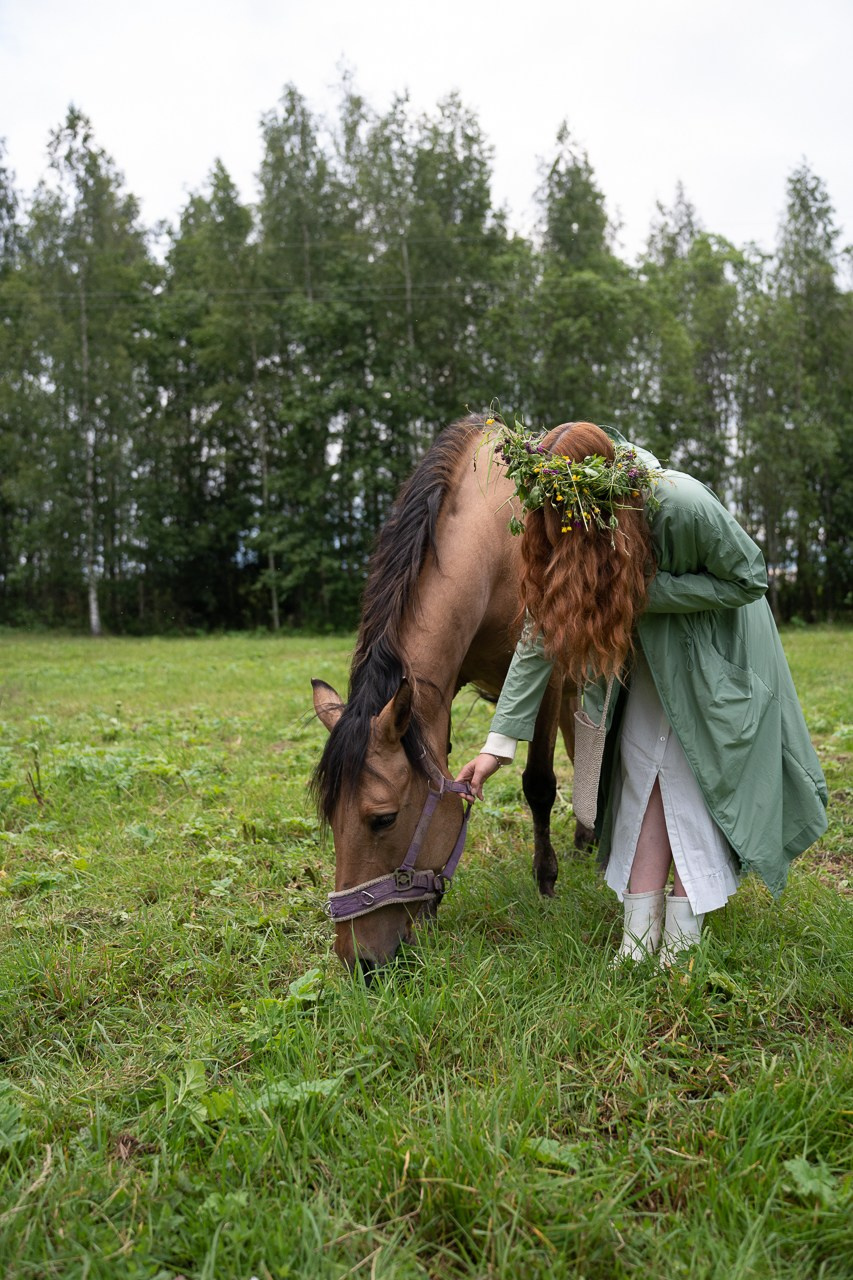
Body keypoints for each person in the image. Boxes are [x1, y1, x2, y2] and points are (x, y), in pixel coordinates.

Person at [456, 420, 828, 964]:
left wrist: (641, 594)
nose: (557, 535)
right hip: (636, 659)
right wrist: (496, 747)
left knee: (692, 778)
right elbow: (542, 628)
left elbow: (748, 577)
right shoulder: (554, 518)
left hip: (706, 652)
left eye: (568, 526)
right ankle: (637, 940)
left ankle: (682, 941)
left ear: (605, 505)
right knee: (639, 778)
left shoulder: (678, 502)